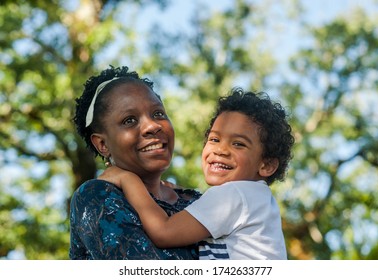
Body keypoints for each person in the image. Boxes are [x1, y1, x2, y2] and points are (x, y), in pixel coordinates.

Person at [99, 88, 295, 260]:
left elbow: (164, 231)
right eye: (215, 139)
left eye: (238, 144)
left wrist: (129, 180)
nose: (220, 150)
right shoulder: (255, 198)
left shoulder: (235, 195)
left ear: (267, 165)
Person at [69, 65, 201, 259]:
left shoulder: (196, 201)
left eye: (158, 113)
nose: (152, 126)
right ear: (103, 144)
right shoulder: (96, 197)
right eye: (129, 120)